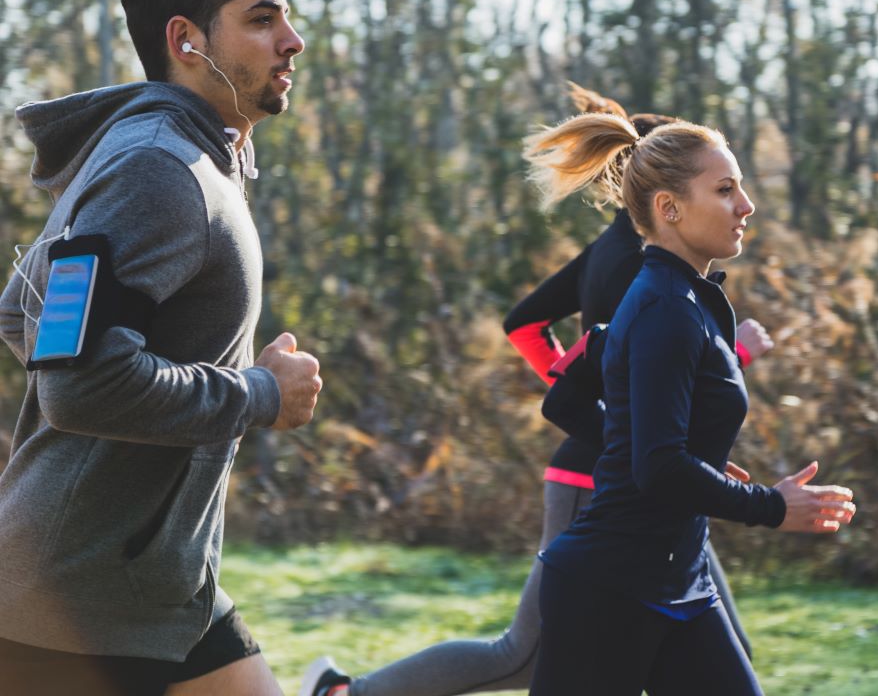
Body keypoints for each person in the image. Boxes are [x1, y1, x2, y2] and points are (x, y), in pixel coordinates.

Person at [298, 86, 771, 696]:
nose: (739, 204)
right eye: (721, 185)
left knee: (719, 646)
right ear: (665, 196)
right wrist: (714, 372)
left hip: (642, 482)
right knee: (521, 654)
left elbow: (530, 331)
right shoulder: (648, 269)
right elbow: (640, 377)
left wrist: (624, 412)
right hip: (603, 477)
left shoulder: (610, 253)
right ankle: (345, 694)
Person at [0, 0, 320, 696]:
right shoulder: (158, 168)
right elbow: (79, 383)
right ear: (187, 39)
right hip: (82, 603)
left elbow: (20, 311)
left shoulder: (175, 155)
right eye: (262, 18)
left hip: (156, 583)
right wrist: (260, 395)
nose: (293, 41)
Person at [521, 113, 857, 695]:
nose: (746, 205)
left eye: (741, 187)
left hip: (680, 579)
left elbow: (570, 401)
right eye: (725, 190)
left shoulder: (688, 299)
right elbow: (656, 467)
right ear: (669, 208)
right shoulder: (662, 307)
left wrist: (668, 449)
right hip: (609, 590)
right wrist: (770, 507)